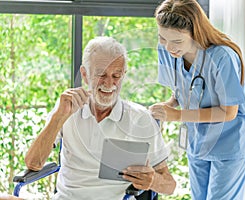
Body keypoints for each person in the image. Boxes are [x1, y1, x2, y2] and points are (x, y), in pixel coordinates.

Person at [24, 36, 176, 200]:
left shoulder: (140, 118)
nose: (109, 84)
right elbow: (33, 163)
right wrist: (58, 117)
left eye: (116, 76)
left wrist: (153, 180)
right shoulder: (67, 108)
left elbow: (170, 185)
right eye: (101, 74)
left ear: (124, 74)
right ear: (85, 74)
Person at [149, 0, 245, 199]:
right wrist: (168, 106)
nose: (168, 48)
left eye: (177, 41)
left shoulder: (222, 57)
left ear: (195, 33)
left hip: (231, 140)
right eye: (162, 38)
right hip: (198, 139)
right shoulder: (167, 51)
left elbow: (229, 111)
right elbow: (183, 88)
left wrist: (177, 115)